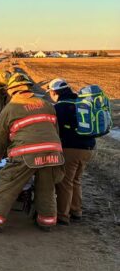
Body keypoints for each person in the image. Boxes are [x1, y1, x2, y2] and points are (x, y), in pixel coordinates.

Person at [0, 73, 64, 232]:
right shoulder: (46, 104)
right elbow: (54, 130)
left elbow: (0, 137)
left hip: (26, 154)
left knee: (8, 185)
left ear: (12, 90)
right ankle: (47, 222)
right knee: (46, 188)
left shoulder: (11, 108)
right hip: (53, 152)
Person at [48, 77, 96, 225]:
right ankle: (76, 211)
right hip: (88, 148)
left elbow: (54, 130)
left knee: (65, 182)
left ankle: (63, 215)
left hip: (70, 149)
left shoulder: (60, 107)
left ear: (55, 92)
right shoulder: (82, 103)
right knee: (76, 180)